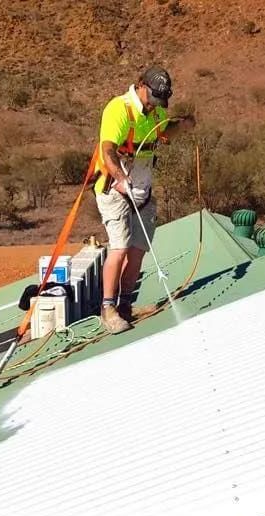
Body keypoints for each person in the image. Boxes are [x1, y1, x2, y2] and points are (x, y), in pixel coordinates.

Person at [94, 66, 195, 334]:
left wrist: (181, 126)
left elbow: (164, 134)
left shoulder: (157, 112)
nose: (154, 105)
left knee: (138, 249)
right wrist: (119, 177)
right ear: (140, 85)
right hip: (115, 191)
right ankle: (107, 309)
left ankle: (126, 305)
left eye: (159, 101)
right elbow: (108, 150)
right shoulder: (119, 109)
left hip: (142, 191)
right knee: (119, 247)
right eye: (152, 97)